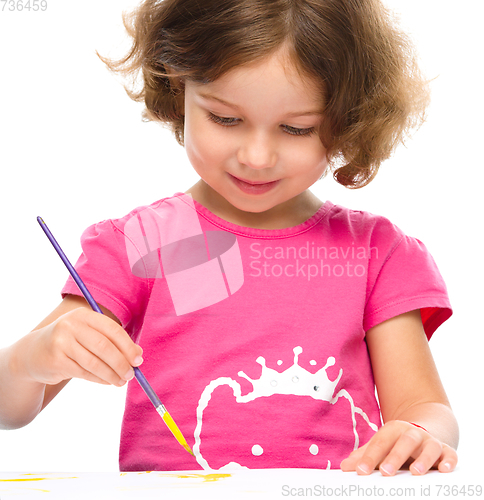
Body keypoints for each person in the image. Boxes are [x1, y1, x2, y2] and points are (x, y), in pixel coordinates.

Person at [0, 0, 458, 475]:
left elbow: (426, 409)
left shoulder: (375, 254)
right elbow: (7, 408)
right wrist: (36, 357)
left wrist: (419, 435)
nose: (257, 156)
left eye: (297, 128)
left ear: (349, 118)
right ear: (177, 87)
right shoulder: (144, 243)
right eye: (225, 118)